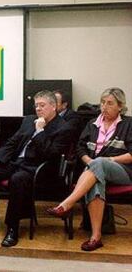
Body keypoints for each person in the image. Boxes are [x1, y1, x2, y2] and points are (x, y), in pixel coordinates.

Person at [0, 90, 72, 246]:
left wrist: (40, 131)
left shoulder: (63, 128)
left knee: (18, 180)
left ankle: (12, 228)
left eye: (42, 105)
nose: (38, 109)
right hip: (17, 163)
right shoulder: (29, 120)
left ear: (54, 106)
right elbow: (12, 143)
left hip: (40, 169)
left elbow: (50, 155)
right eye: (36, 106)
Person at [47, 87, 132, 251]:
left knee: (99, 163)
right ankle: (95, 237)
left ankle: (67, 204)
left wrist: (108, 159)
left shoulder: (128, 124)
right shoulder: (92, 124)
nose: (104, 107)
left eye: (109, 103)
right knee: (95, 181)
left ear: (120, 106)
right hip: (95, 170)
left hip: (123, 170)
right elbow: (80, 148)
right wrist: (89, 161)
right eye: (102, 102)